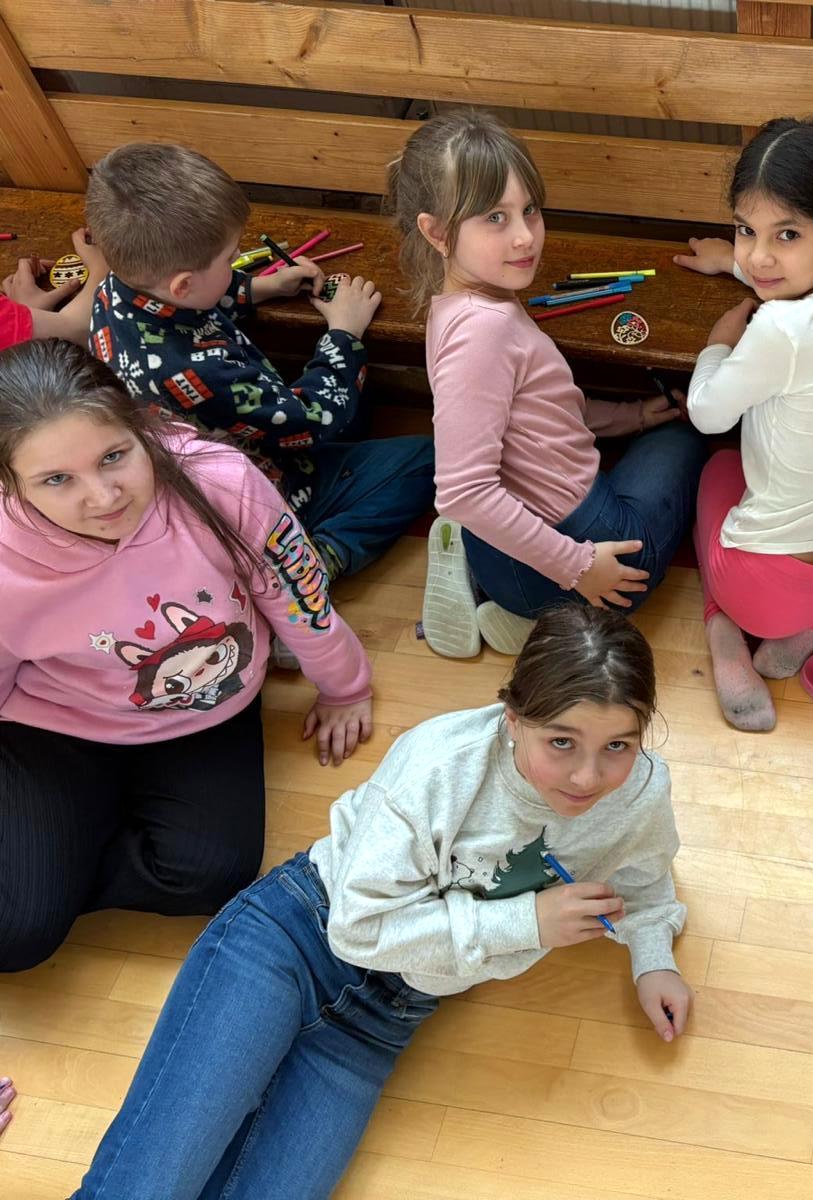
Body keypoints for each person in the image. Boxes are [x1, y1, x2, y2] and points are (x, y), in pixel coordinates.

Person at [71, 602, 692, 1198]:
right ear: (512, 718)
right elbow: (356, 929)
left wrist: (653, 959)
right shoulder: (437, 765)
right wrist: (524, 922)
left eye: (618, 746)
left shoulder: (639, 794)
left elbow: (644, 878)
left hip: (382, 1019)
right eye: (561, 742)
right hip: (297, 939)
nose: (588, 777)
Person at [0, 340, 372, 974]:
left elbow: (296, 592)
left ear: (139, 426)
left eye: (114, 456)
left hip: (203, 703)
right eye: (57, 479)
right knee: (16, 937)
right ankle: (52, 861)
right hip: (55, 723)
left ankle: (62, 854)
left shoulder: (221, 481)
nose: (103, 497)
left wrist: (345, 685)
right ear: (10, 483)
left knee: (211, 875)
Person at [392, 110, 703, 658]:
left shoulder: (461, 306)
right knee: (689, 436)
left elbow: (546, 411)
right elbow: (462, 491)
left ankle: (509, 601)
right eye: (495, 217)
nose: (524, 236)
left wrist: (632, 415)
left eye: (529, 209)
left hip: (500, 553)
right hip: (570, 553)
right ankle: (551, 613)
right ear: (436, 232)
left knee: (652, 431)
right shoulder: (485, 330)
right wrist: (579, 567)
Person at [86, 142, 435, 583]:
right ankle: (319, 556)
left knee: (354, 397)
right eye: (230, 258)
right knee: (426, 459)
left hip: (232, 438)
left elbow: (196, 301)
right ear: (183, 283)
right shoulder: (201, 371)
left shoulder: (115, 290)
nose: (236, 262)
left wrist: (262, 288)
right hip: (265, 490)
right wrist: (344, 331)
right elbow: (314, 418)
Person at [673, 117, 813, 730]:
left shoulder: (777, 328)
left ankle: (724, 637)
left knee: (716, 467)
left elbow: (706, 412)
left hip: (760, 589)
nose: (758, 256)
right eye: (745, 231)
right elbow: (789, 280)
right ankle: (800, 640)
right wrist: (733, 266)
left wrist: (717, 345)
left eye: (785, 234)